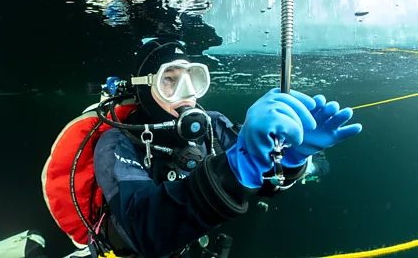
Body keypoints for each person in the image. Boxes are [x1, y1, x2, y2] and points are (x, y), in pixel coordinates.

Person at [42, 37, 361, 258]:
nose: (187, 92)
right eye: (170, 80)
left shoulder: (212, 125)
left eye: (193, 78)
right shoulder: (118, 142)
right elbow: (144, 232)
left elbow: (264, 180)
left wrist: (290, 158)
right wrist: (237, 168)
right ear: (144, 88)